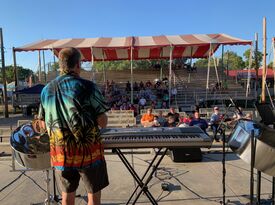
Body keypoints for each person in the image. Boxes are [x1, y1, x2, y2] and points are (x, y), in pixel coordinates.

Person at [37, 48, 109, 205]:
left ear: (60, 64)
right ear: (78, 64)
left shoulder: (46, 90)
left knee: (67, 197)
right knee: (93, 196)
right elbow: (102, 121)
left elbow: (42, 124)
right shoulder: (89, 87)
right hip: (89, 152)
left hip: (61, 154)